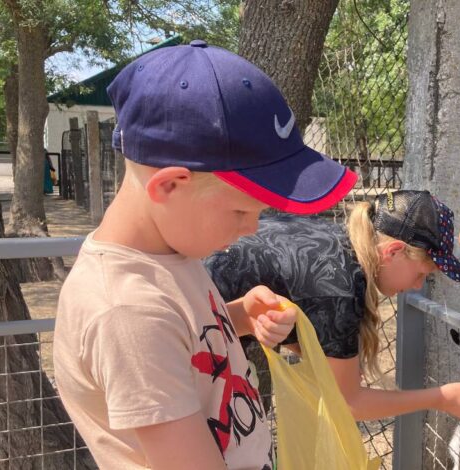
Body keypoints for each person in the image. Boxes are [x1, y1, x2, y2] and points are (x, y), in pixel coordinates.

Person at [53, 39, 357, 470]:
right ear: (170, 186)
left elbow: (178, 338)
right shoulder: (126, 313)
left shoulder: (168, 254)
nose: (252, 228)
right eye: (240, 210)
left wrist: (240, 316)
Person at [205, 190, 460, 422]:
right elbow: (348, 404)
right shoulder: (340, 287)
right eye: (421, 275)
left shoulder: (331, 238)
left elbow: (301, 300)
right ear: (393, 251)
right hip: (196, 346)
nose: (416, 286)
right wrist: (439, 398)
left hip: (198, 312)